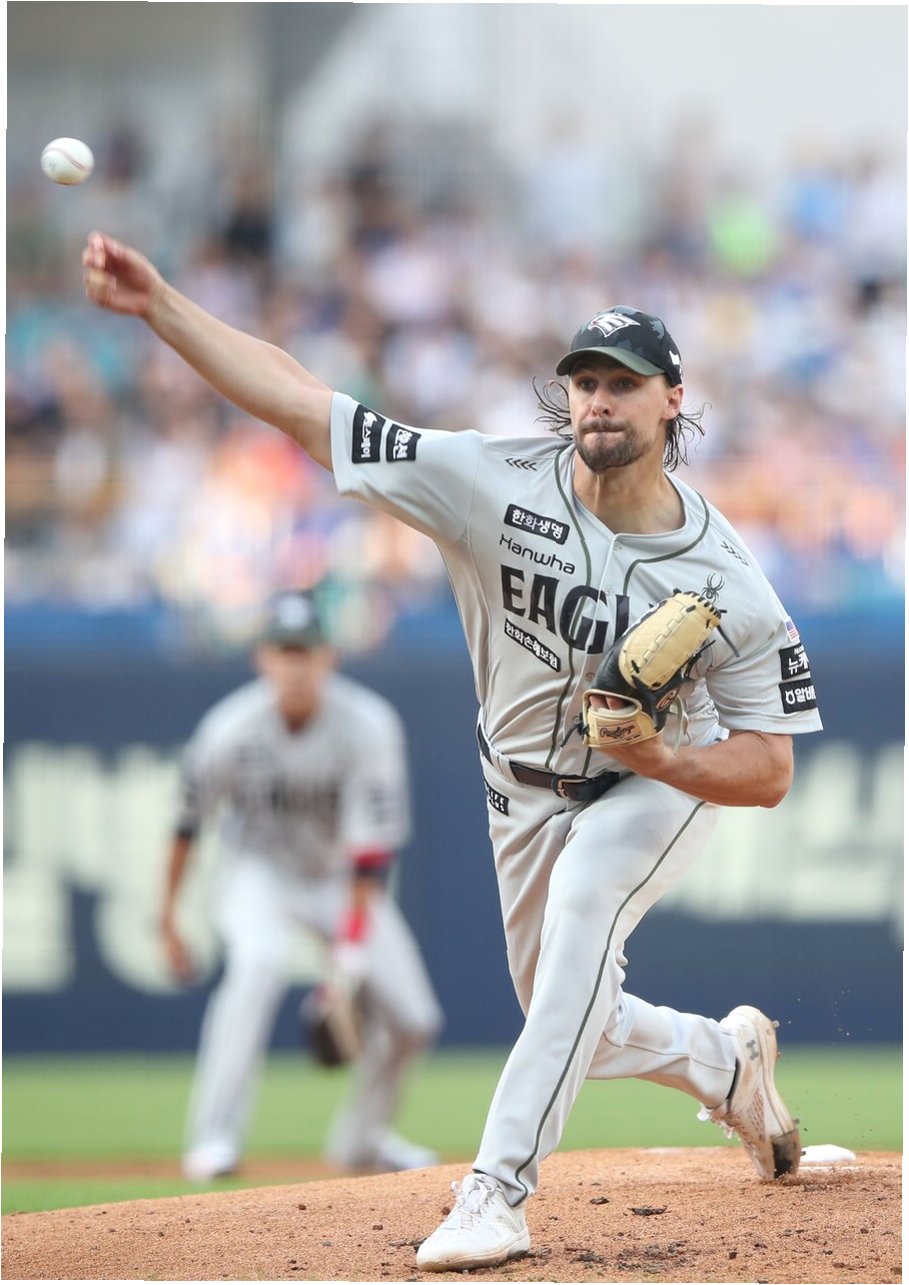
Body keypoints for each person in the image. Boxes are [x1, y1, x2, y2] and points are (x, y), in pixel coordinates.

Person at [84, 233, 822, 1268]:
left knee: (583, 916)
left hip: (652, 781)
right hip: (519, 790)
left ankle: (497, 1190)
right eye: (584, 382)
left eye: (623, 383)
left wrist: (662, 758)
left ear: (672, 399)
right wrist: (161, 304)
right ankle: (726, 1061)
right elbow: (302, 403)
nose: (598, 401)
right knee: (572, 1013)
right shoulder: (488, 480)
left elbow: (770, 769)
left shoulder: (728, 580)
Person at [160, 585, 443, 1182]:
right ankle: (214, 1140)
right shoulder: (229, 728)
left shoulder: (368, 724)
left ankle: (361, 1142)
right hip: (257, 872)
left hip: (341, 878)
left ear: (327, 657)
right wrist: (167, 919)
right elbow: (187, 826)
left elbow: (371, 853)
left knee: (414, 1019)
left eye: (305, 651)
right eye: (283, 651)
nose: (294, 665)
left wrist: (350, 949)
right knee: (258, 964)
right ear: (261, 658)